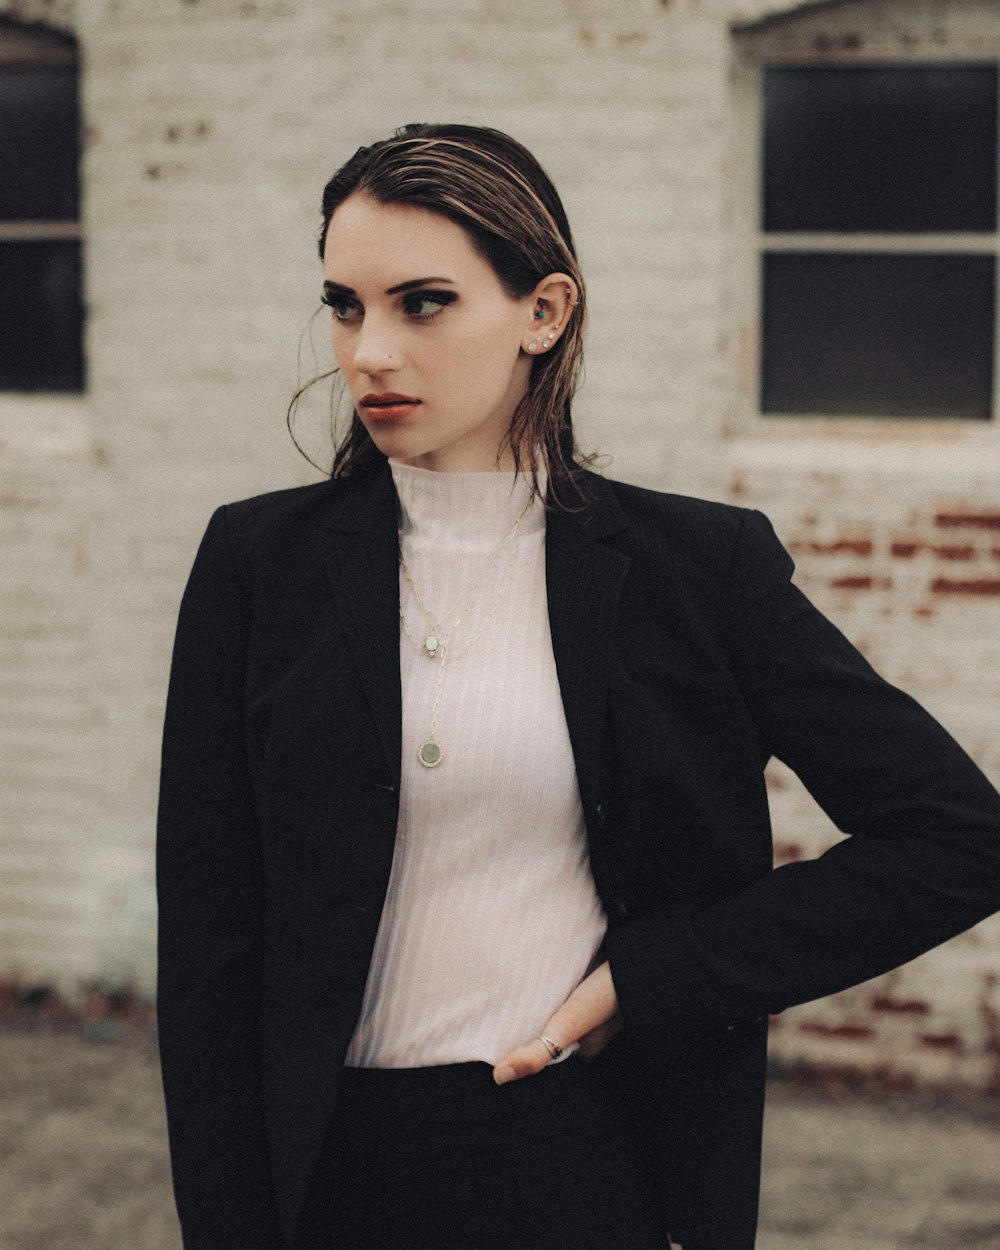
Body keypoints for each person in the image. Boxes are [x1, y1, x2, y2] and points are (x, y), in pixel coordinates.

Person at [156, 123, 1000, 1250]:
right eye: (344, 305)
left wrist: (655, 976)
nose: (368, 350)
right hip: (323, 1169)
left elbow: (955, 834)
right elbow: (209, 949)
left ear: (542, 313)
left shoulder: (696, 573)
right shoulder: (256, 566)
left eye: (422, 303)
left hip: (572, 1158)